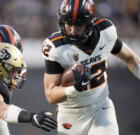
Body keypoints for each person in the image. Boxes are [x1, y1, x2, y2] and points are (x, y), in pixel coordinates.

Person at [41, 0, 140, 135]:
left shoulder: (105, 32)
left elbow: (130, 58)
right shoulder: (56, 48)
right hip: (69, 114)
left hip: (101, 108)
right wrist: (74, 89)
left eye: (79, 25)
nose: (73, 30)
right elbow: (51, 95)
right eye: (69, 23)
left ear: (89, 23)